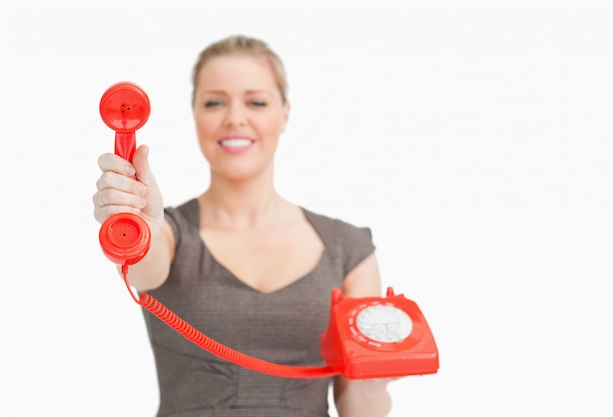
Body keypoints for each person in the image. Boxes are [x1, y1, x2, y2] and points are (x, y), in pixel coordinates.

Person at [93, 34, 393, 417]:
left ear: (285, 113)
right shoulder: (169, 233)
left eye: (256, 101)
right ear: (195, 112)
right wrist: (139, 229)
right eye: (215, 102)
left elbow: (359, 409)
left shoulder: (349, 249)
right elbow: (145, 267)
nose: (235, 117)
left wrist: (374, 376)